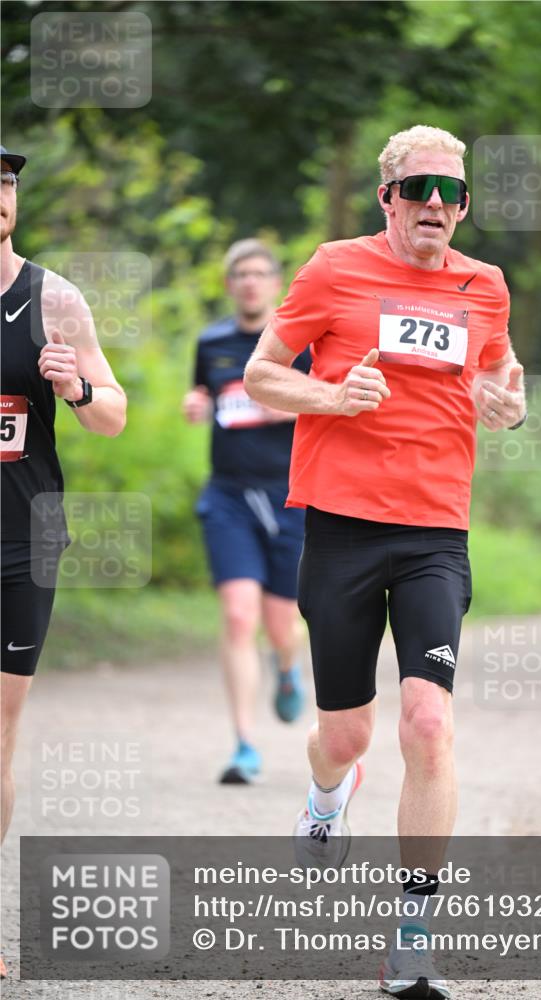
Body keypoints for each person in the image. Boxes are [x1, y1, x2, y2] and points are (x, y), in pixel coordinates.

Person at [244, 125, 526, 998]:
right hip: (340, 526)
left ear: (464, 205)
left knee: (429, 726)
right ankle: (328, 796)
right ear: (387, 199)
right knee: (346, 735)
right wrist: (330, 394)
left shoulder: (486, 285)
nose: (435, 205)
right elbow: (260, 375)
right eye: (418, 190)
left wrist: (508, 404)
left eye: (451, 192)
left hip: (436, 531)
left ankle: (411, 936)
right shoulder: (333, 268)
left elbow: (502, 379)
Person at [0, 144, 127, 977]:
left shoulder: (55, 299)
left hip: (23, 541)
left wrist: (78, 390)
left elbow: (114, 413)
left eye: (5, 185)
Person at [182, 239, 310, 785]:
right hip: (229, 495)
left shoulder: (298, 342)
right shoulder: (211, 342)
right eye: (241, 274)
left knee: (283, 626)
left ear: (275, 282)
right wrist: (199, 404)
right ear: (230, 283)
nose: (251, 282)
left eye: (261, 274)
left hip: (288, 498)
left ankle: (286, 666)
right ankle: (244, 746)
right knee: (239, 616)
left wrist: (281, 407)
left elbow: (324, 402)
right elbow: (205, 393)